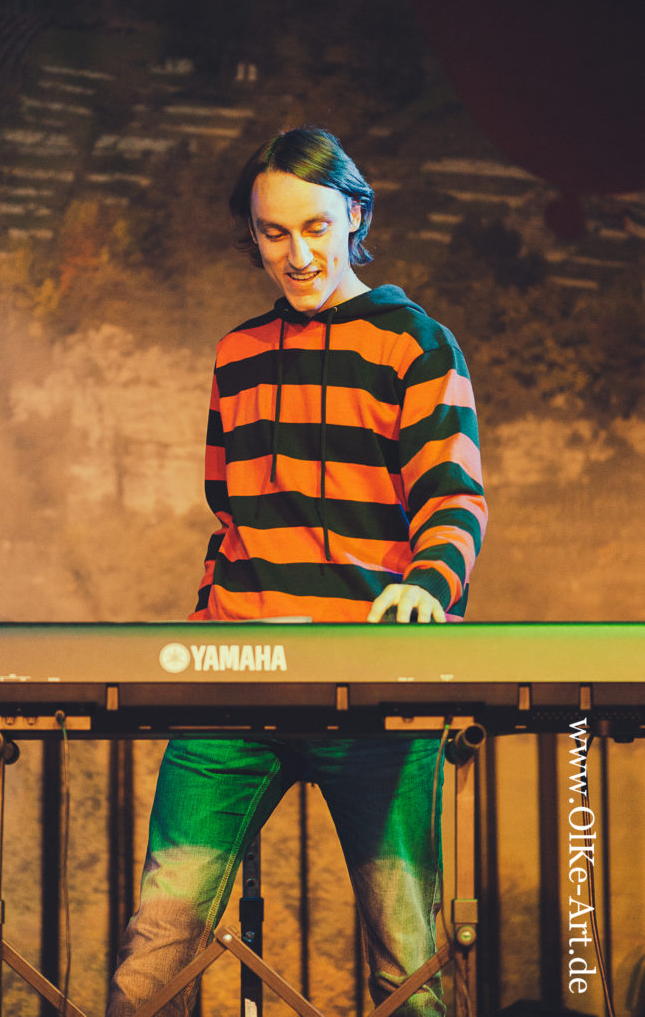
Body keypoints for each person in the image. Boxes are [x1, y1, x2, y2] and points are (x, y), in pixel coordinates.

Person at [107, 127, 487, 1017]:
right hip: (237, 686)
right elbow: (228, 518)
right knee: (153, 953)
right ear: (253, 235)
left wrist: (428, 586)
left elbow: (454, 499)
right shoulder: (237, 354)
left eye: (314, 227)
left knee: (409, 967)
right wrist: (200, 633)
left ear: (355, 215)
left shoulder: (416, 344)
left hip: (376, 689)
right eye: (273, 233)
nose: (297, 254)